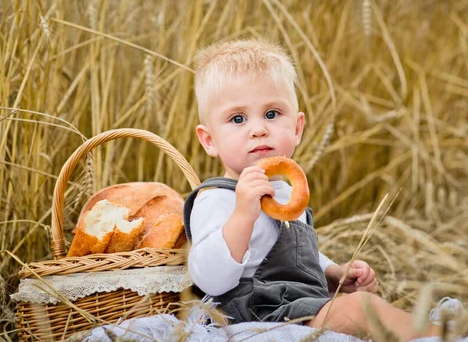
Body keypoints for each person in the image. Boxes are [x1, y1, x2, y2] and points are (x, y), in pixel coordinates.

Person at [183, 39, 440, 341]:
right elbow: (210, 279)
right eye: (237, 119)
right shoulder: (216, 198)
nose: (258, 129)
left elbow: (295, 256)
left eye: (272, 114)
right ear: (209, 140)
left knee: (358, 307)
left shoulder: (288, 195)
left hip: (297, 306)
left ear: (297, 127)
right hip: (255, 313)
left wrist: (333, 274)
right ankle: (445, 336)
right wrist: (241, 216)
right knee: (361, 309)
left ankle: (436, 333)